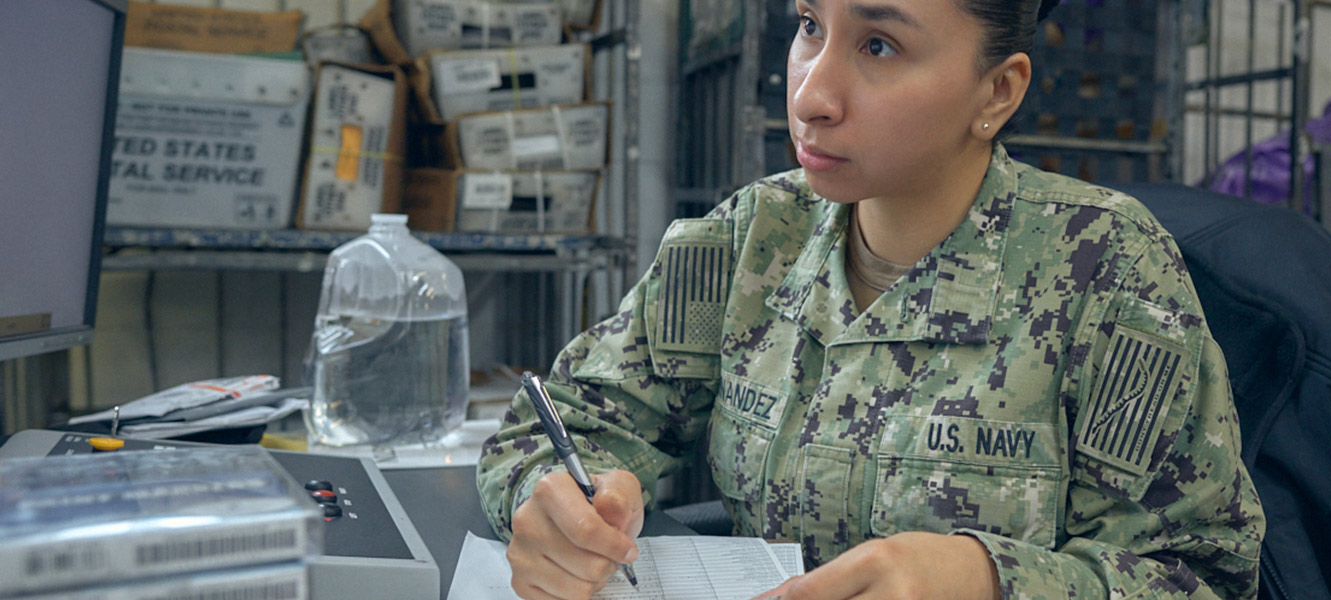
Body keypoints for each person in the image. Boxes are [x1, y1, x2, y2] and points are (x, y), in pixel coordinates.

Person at [478, 0, 1266, 598]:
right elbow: (563, 424)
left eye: (879, 46)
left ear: (997, 90)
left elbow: (1199, 573)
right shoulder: (752, 239)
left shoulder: (1106, 268)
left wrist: (986, 579)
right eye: (810, 25)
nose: (812, 94)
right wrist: (555, 503)